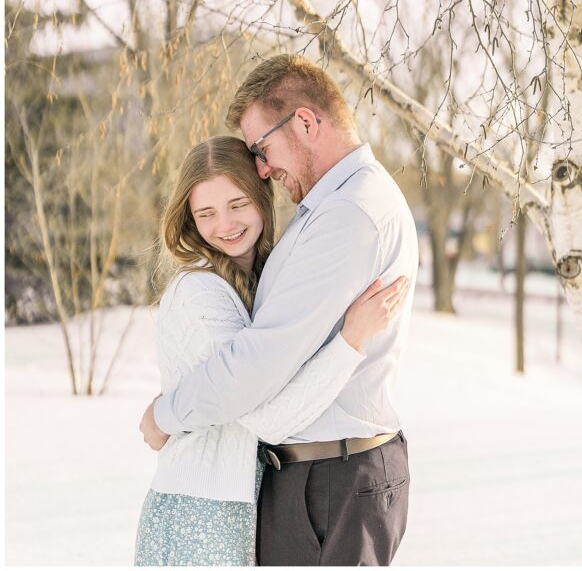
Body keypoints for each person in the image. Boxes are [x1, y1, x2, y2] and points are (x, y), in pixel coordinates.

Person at [141, 54, 419, 566]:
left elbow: (257, 366)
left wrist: (166, 413)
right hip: (314, 478)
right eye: (206, 212)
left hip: (333, 476)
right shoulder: (330, 208)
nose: (263, 168)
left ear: (307, 122)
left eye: (262, 149)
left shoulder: (346, 214)